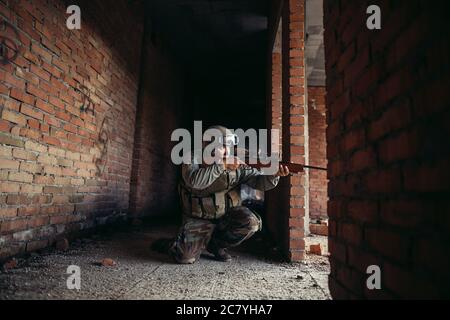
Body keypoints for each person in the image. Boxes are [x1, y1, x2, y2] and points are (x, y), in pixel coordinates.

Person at [156, 126, 290, 264]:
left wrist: (274, 175)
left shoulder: (236, 162)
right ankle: (173, 245)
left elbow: (259, 182)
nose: (227, 150)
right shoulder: (193, 157)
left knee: (251, 222)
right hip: (198, 219)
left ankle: (216, 245)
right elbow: (194, 181)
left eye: (229, 146)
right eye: (222, 146)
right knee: (185, 257)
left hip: (225, 218)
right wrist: (222, 166)